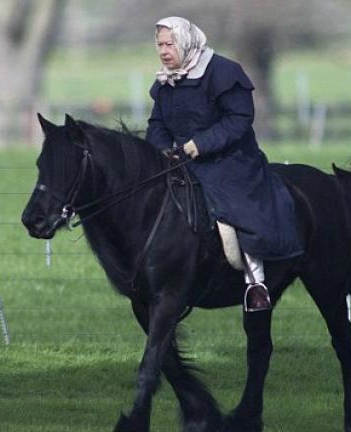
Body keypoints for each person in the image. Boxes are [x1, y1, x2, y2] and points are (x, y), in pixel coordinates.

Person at [146, 17, 303, 312]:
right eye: (160, 45)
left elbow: (239, 119)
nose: (164, 51)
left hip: (229, 160)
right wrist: (164, 149)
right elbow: (157, 124)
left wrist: (199, 145)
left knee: (233, 209)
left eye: (170, 44)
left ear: (186, 41)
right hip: (179, 160)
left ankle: (256, 283)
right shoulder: (166, 80)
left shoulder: (224, 72)